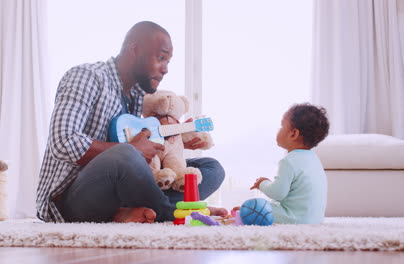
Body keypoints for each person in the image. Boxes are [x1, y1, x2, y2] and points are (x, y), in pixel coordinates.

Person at [36, 21, 226, 223]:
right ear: (135, 49)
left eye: (168, 62)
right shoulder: (87, 77)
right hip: (71, 200)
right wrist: (132, 149)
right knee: (125, 154)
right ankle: (175, 211)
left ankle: (126, 213)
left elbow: (142, 162)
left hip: (120, 193)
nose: (166, 69)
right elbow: (63, 142)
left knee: (211, 168)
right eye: (161, 58)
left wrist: (171, 144)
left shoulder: (137, 95)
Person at [249, 103, 330, 224]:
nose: (279, 129)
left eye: (282, 126)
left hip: (295, 218)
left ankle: (245, 212)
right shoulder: (314, 159)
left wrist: (262, 183)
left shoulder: (289, 161)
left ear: (293, 134)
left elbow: (277, 193)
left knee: (253, 206)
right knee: (270, 205)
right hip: (315, 218)